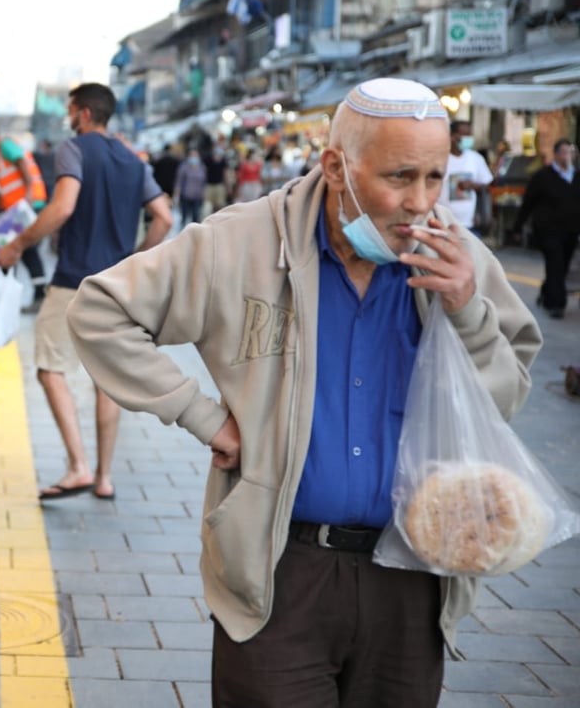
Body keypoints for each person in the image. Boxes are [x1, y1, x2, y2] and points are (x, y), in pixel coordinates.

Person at [67, 77, 541, 707]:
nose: (420, 202)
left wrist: (466, 309)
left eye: (435, 177)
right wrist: (199, 415)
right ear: (336, 167)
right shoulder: (241, 243)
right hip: (278, 575)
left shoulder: (457, 258)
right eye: (400, 177)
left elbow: (504, 400)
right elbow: (100, 310)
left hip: (414, 577)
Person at [0, 82, 171, 501]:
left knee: (49, 368)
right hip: (118, 287)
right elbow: (163, 216)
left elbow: (63, 206)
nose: (69, 117)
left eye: (72, 110)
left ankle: (78, 467)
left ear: (84, 113)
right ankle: (104, 477)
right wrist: (135, 262)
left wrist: (17, 244)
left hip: (74, 280)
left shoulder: (73, 150)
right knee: (106, 381)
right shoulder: (133, 159)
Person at [0, 127, 49, 310]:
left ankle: (22, 294)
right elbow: (9, 186)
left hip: (27, 206)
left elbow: (22, 163)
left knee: (20, 248)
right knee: (22, 249)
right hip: (19, 207)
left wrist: (28, 191)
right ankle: (24, 292)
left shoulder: (5, 145)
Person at [512, 138, 580, 319]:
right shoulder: (543, 176)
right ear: (557, 154)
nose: (568, 156)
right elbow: (528, 203)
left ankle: (547, 290)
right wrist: (517, 228)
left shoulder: (577, 176)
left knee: (563, 266)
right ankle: (556, 304)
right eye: (565, 152)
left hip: (571, 231)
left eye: (571, 152)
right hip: (548, 230)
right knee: (555, 264)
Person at [440, 120, 494, 236]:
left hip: (469, 225)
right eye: (464, 135)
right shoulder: (440, 158)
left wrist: (472, 185)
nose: (468, 138)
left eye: (469, 135)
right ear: (452, 137)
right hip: (442, 224)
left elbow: (488, 185)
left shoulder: (475, 159)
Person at [175, 146, 206, 228]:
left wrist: (203, 193)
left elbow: (203, 182)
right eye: (192, 156)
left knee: (195, 216)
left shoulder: (202, 168)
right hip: (185, 195)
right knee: (184, 216)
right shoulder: (184, 167)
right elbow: (179, 181)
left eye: (195, 156)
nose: (194, 158)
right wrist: (177, 195)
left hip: (197, 196)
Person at [203, 136, 230, 214]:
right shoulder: (207, 158)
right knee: (208, 206)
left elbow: (225, 173)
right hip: (209, 185)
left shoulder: (223, 159)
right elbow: (203, 171)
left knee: (219, 205)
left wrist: (228, 186)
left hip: (219, 185)